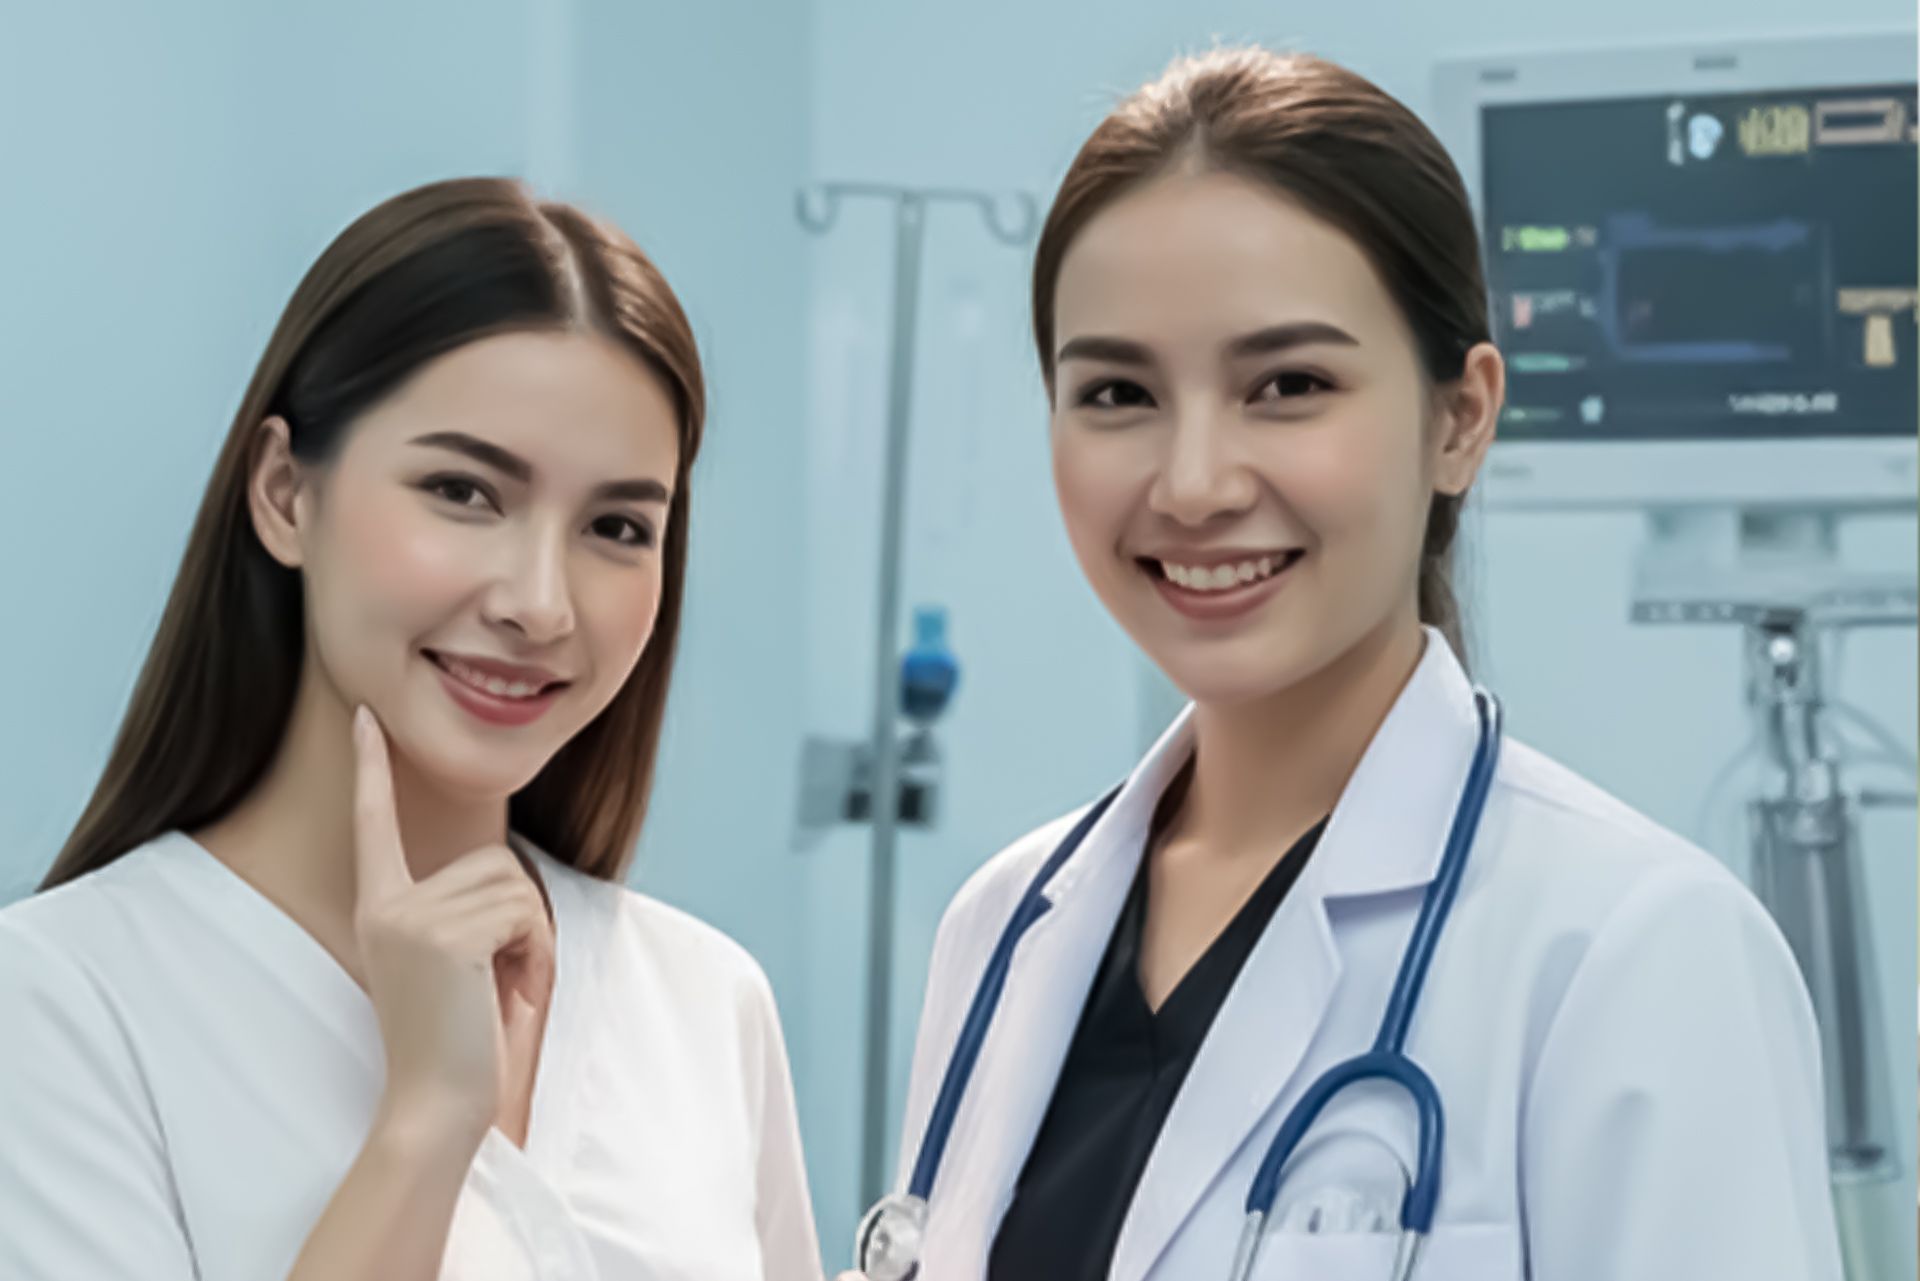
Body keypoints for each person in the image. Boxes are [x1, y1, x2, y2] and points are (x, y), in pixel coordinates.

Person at [861, 47, 1842, 1281]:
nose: (1195, 483)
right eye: (1117, 392)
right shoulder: (1006, 926)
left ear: (1459, 419)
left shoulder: (1632, 951)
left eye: (1289, 384)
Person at [0, 177, 823, 1281]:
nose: (542, 602)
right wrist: (427, 1122)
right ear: (288, 493)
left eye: (618, 526)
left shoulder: (703, 1004)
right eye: (464, 492)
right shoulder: (63, 1007)